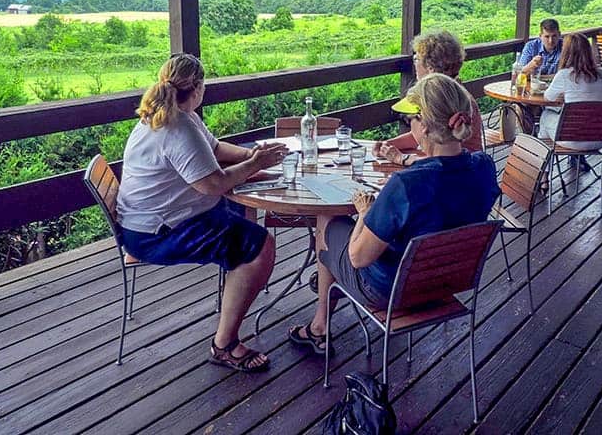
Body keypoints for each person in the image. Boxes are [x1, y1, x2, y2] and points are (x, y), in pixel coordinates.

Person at [288, 73, 500, 354]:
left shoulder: (407, 185)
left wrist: (365, 212)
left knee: (328, 218)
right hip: (448, 283)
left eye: (409, 120)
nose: (409, 126)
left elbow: (359, 257)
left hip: (391, 291)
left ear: (423, 125)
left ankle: (319, 326)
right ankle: (321, 315)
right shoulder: (484, 167)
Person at [116, 53, 288, 372]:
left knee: (242, 207)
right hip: (155, 234)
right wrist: (254, 165)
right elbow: (213, 184)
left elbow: (216, 148)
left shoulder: (171, 114)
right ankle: (225, 345)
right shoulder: (177, 127)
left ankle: (241, 275)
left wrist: (254, 155)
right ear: (197, 87)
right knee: (260, 244)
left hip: (150, 219)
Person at [373, 30, 483, 167]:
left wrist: (403, 158)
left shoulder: (447, 101)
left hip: (457, 176)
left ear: (430, 67)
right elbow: (428, 133)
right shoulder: (453, 95)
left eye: (416, 59)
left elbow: (448, 161)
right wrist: (389, 145)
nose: (414, 64)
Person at [539, 33, 602, 173]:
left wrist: (563, 94)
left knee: (545, 115)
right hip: (599, 139)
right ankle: (576, 159)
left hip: (570, 139)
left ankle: (544, 175)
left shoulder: (565, 75)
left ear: (567, 52)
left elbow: (548, 98)